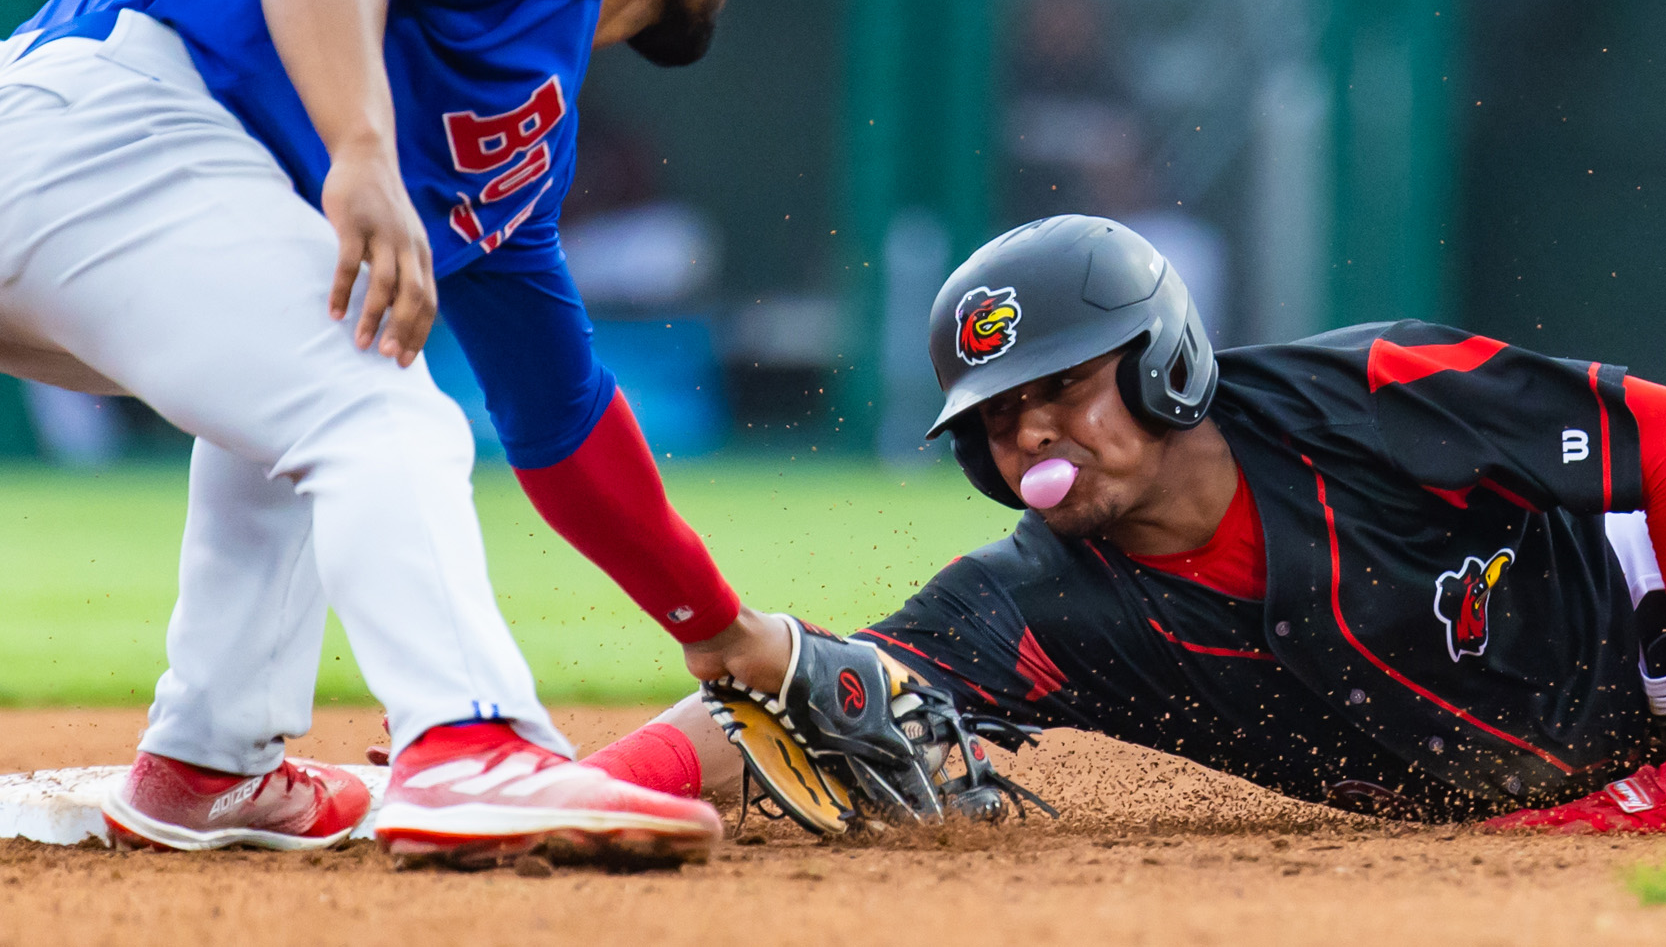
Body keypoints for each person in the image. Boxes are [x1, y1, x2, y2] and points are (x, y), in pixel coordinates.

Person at [0, 0, 801, 866]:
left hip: (87, 191)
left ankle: (210, 764)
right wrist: (362, 148)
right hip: (99, 124)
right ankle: (471, 741)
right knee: (378, 404)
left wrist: (719, 627)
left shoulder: (526, 127)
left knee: (332, 356)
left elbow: (559, 415)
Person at [585, 214, 1666, 832]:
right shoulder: (1038, 602)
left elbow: (1654, 437)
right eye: (998, 416)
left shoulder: (1367, 395)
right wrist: (590, 789)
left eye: (1062, 385)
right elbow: (804, 697)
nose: (1031, 432)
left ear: (1165, 363)